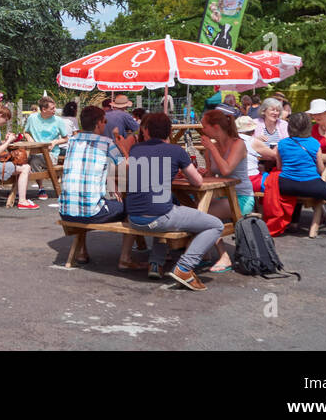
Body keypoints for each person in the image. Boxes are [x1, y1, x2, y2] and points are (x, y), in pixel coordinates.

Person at [125, 113, 225, 290]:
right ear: (170, 132)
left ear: (145, 130)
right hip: (160, 218)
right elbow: (197, 182)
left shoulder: (135, 150)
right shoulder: (176, 151)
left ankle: (156, 263)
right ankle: (185, 267)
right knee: (215, 225)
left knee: (168, 206)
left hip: (134, 218)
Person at [277, 112, 326, 240]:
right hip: (309, 184)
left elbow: (280, 167)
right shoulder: (314, 143)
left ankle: (294, 223)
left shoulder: (282, 143)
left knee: (296, 194)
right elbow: (321, 168)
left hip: (286, 184)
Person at [58, 106, 128, 227]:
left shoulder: (72, 141)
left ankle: (82, 245)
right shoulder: (106, 142)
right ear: (98, 123)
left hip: (65, 211)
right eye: (105, 121)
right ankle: (128, 246)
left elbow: (89, 168)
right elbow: (125, 166)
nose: (105, 125)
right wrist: (121, 146)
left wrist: (110, 179)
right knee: (129, 206)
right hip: (92, 213)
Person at [0, 106, 38, 209]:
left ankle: (22, 198)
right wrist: (8, 141)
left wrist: (5, 140)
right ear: (0, 116)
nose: (5, 123)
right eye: (5, 120)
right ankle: (22, 201)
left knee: (25, 167)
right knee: (25, 168)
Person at [23, 96, 68, 199]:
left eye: (54, 107)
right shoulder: (32, 118)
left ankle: (41, 188)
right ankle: (19, 189)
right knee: (20, 161)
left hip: (51, 154)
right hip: (34, 152)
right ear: (44, 109)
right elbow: (25, 132)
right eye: (52, 108)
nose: (55, 110)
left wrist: (55, 141)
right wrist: (30, 140)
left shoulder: (58, 120)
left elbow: (66, 138)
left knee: (34, 161)